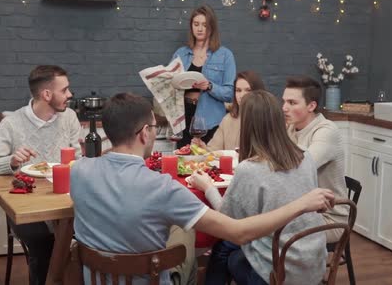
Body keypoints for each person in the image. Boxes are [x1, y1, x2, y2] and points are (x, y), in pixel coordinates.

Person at [71, 93, 335, 285]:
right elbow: (238, 232)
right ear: (144, 134)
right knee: (190, 232)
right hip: (152, 278)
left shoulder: (79, 170)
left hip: (95, 277)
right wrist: (302, 203)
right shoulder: (163, 188)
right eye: (153, 128)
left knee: (188, 232)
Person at [190, 90, 328, 285]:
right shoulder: (306, 156)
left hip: (279, 270)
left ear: (247, 126)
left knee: (222, 245)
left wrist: (207, 187)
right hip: (312, 261)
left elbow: (228, 224)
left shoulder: (250, 169)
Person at [0, 65, 82, 285]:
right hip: (27, 203)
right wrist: (11, 161)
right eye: (65, 90)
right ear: (46, 94)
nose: (70, 95)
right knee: (43, 242)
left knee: (92, 234)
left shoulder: (69, 117)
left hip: (65, 199)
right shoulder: (12, 123)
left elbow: (77, 160)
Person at [282, 76, 348, 243]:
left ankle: (281, 268)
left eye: (292, 103)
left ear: (311, 106)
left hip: (329, 219)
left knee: (265, 231)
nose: (284, 108)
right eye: (284, 102)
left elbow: (300, 168)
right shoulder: (291, 128)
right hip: (303, 210)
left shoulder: (326, 131)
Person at [172, 5, 237, 148]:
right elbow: (169, 84)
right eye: (196, 24)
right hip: (183, 118)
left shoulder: (225, 55)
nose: (200, 29)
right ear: (191, 27)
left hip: (210, 119)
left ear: (212, 27)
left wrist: (209, 86)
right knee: (184, 163)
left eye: (204, 25)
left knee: (208, 162)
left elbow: (230, 94)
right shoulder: (180, 54)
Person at [192, 71, 265, 151]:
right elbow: (214, 150)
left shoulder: (266, 119)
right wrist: (203, 149)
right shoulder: (227, 120)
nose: (242, 95)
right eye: (238, 90)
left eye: (248, 90)